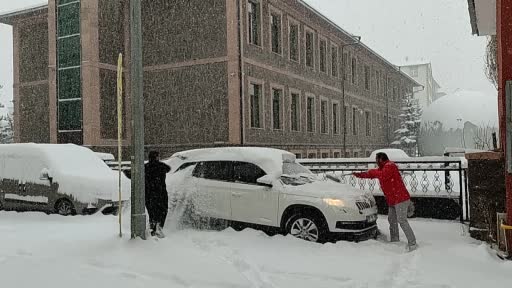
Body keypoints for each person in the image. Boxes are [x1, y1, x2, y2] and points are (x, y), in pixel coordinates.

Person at [353, 152, 417, 251]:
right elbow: (372, 174)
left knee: (402, 221)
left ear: (381, 159)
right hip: (393, 200)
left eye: (376, 160)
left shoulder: (390, 166)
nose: (376, 162)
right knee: (392, 220)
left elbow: (382, 175)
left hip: (400, 199)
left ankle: (412, 243)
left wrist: (372, 172)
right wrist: (358, 175)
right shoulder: (382, 168)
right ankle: (395, 241)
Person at [145, 151, 171, 238]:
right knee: (163, 211)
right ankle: (159, 227)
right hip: (161, 193)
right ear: (157, 157)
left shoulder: (145, 167)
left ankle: (152, 228)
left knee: (152, 212)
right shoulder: (162, 166)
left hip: (148, 194)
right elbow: (169, 168)